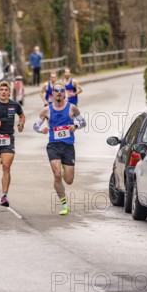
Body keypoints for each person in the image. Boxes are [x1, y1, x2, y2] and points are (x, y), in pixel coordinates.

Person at [33, 81, 86, 215]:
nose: (59, 93)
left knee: (68, 180)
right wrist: (41, 130)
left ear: (65, 93)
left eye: (62, 90)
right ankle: (64, 205)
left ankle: (63, 171)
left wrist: (75, 127)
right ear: (52, 93)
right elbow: (35, 126)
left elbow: (83, 122)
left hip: (68, 146)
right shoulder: (46, 110)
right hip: (54, 146)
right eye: (56, 90)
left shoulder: (72, 108)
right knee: (57, 175)